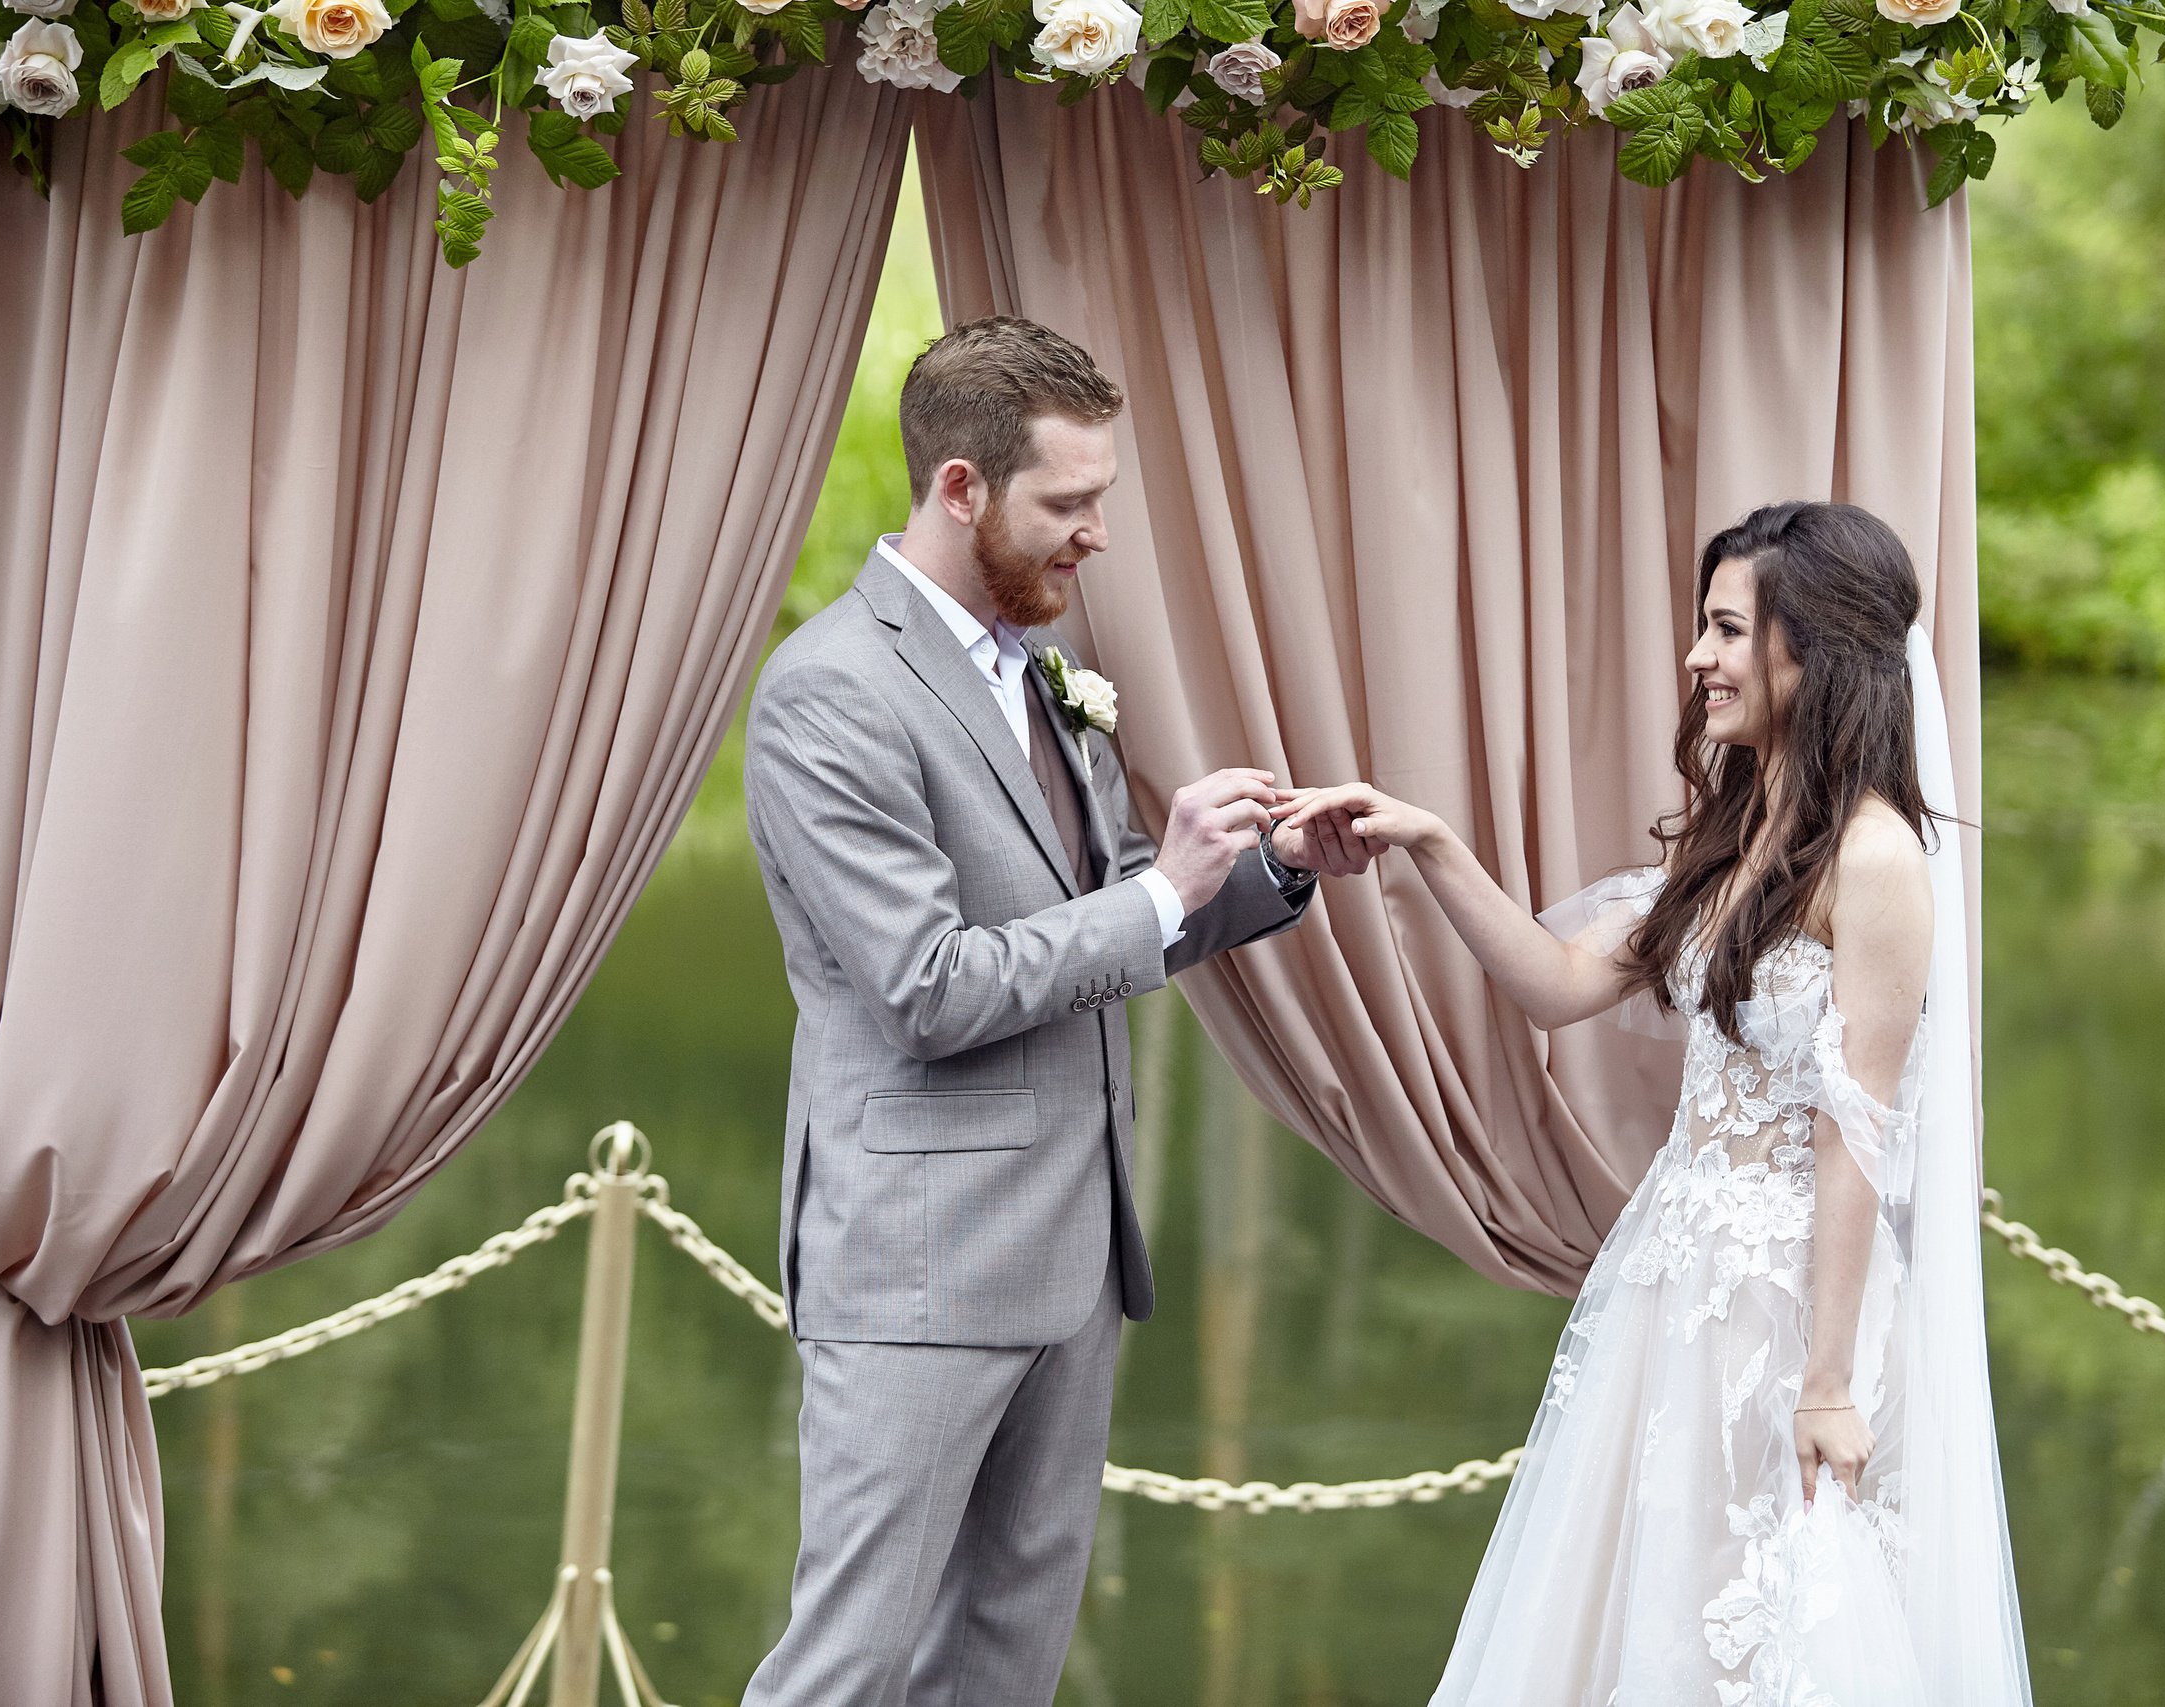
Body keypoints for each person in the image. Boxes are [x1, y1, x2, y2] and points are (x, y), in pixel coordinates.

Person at [1280, 502, 2032, 1706]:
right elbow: (1557, 982)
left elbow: (1858, 1133)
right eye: (1705, 627)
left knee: (1761, 1626)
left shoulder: (1879, 860)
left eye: (1728, 630)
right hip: (1673, 1291)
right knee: (1650, 1617)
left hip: (1791, 1309)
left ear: (1814, 650)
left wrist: (1828, 1383)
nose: (1698, 657)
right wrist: (1427, 843)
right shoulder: (1740, 834)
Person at [739, 315, 1372, 1706]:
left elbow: (1106, 914)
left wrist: (1264, 871)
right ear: (960, 487)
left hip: (1073, 1253)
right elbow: (927, 986)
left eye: (1102, 500)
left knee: (1004, 1665)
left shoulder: (1040, 670)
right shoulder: (828, 695)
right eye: (1068, 503)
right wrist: (1159, 897)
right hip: (917, 1264)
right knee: (853, 1663)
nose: (1096, 535)